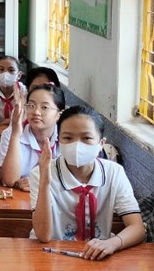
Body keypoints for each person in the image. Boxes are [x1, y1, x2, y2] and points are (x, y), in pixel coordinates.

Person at [31, 106, 145, 258]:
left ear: (101, 143)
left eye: (86, 138)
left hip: (97, 255)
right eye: (68, 138)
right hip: (53, 254)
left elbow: (137, 228)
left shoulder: (114, 172)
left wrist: (112, 243)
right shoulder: (41, 172)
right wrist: (45, 182)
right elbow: (43, 236)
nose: (77, 145)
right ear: (58, 141)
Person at [0, 83, 65, 190]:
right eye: (31, 106)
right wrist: (15, 135)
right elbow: (10, 180)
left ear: (59, 114)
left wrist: (38, 181)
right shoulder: (10, 134)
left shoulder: (66, 137)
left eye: (44, 107)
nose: (36, 112)